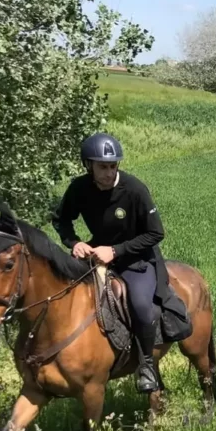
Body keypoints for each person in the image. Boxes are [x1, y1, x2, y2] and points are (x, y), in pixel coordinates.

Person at [52, 133, 165, 393]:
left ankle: (147, 365)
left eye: (113, 166)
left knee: (140, 305)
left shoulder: (135, 189)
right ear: (88, 165)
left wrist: (116, 251)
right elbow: (61, 219)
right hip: (96, 253)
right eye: (103, 167)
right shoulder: (79, 188)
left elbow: (155, 233)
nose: (109, 172)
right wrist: (74, 242)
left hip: (137, 259)